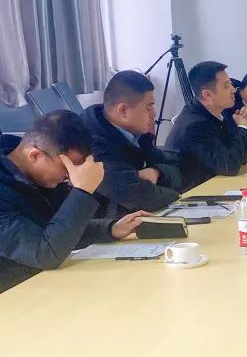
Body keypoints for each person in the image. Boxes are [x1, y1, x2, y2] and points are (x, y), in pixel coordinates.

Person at [0, 111, 149, 292]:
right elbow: (45, 253)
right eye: (67, 168)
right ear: (35, 155)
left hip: (42, 284)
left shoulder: (38, 177)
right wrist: (83, 190)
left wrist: (110, 229)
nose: (71, 176)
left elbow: (55, 229)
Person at [81, 71, 183, 215]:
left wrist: (157, 172)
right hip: (105, 224)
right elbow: (140, 198)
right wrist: (176, 195)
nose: (154, 114)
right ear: (123, 110)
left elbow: (178, 167)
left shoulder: (136, 133)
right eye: (149, 108)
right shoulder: (92, 144)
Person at [164, 61, 247, 192]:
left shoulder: (213, 115)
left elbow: (241, 158)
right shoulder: (195, 125)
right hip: (190, 195)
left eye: (231, 84)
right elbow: (230, 167)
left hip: (211, 187)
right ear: (208, 95)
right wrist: (244, 129)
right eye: (226, 86)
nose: (233, 90)